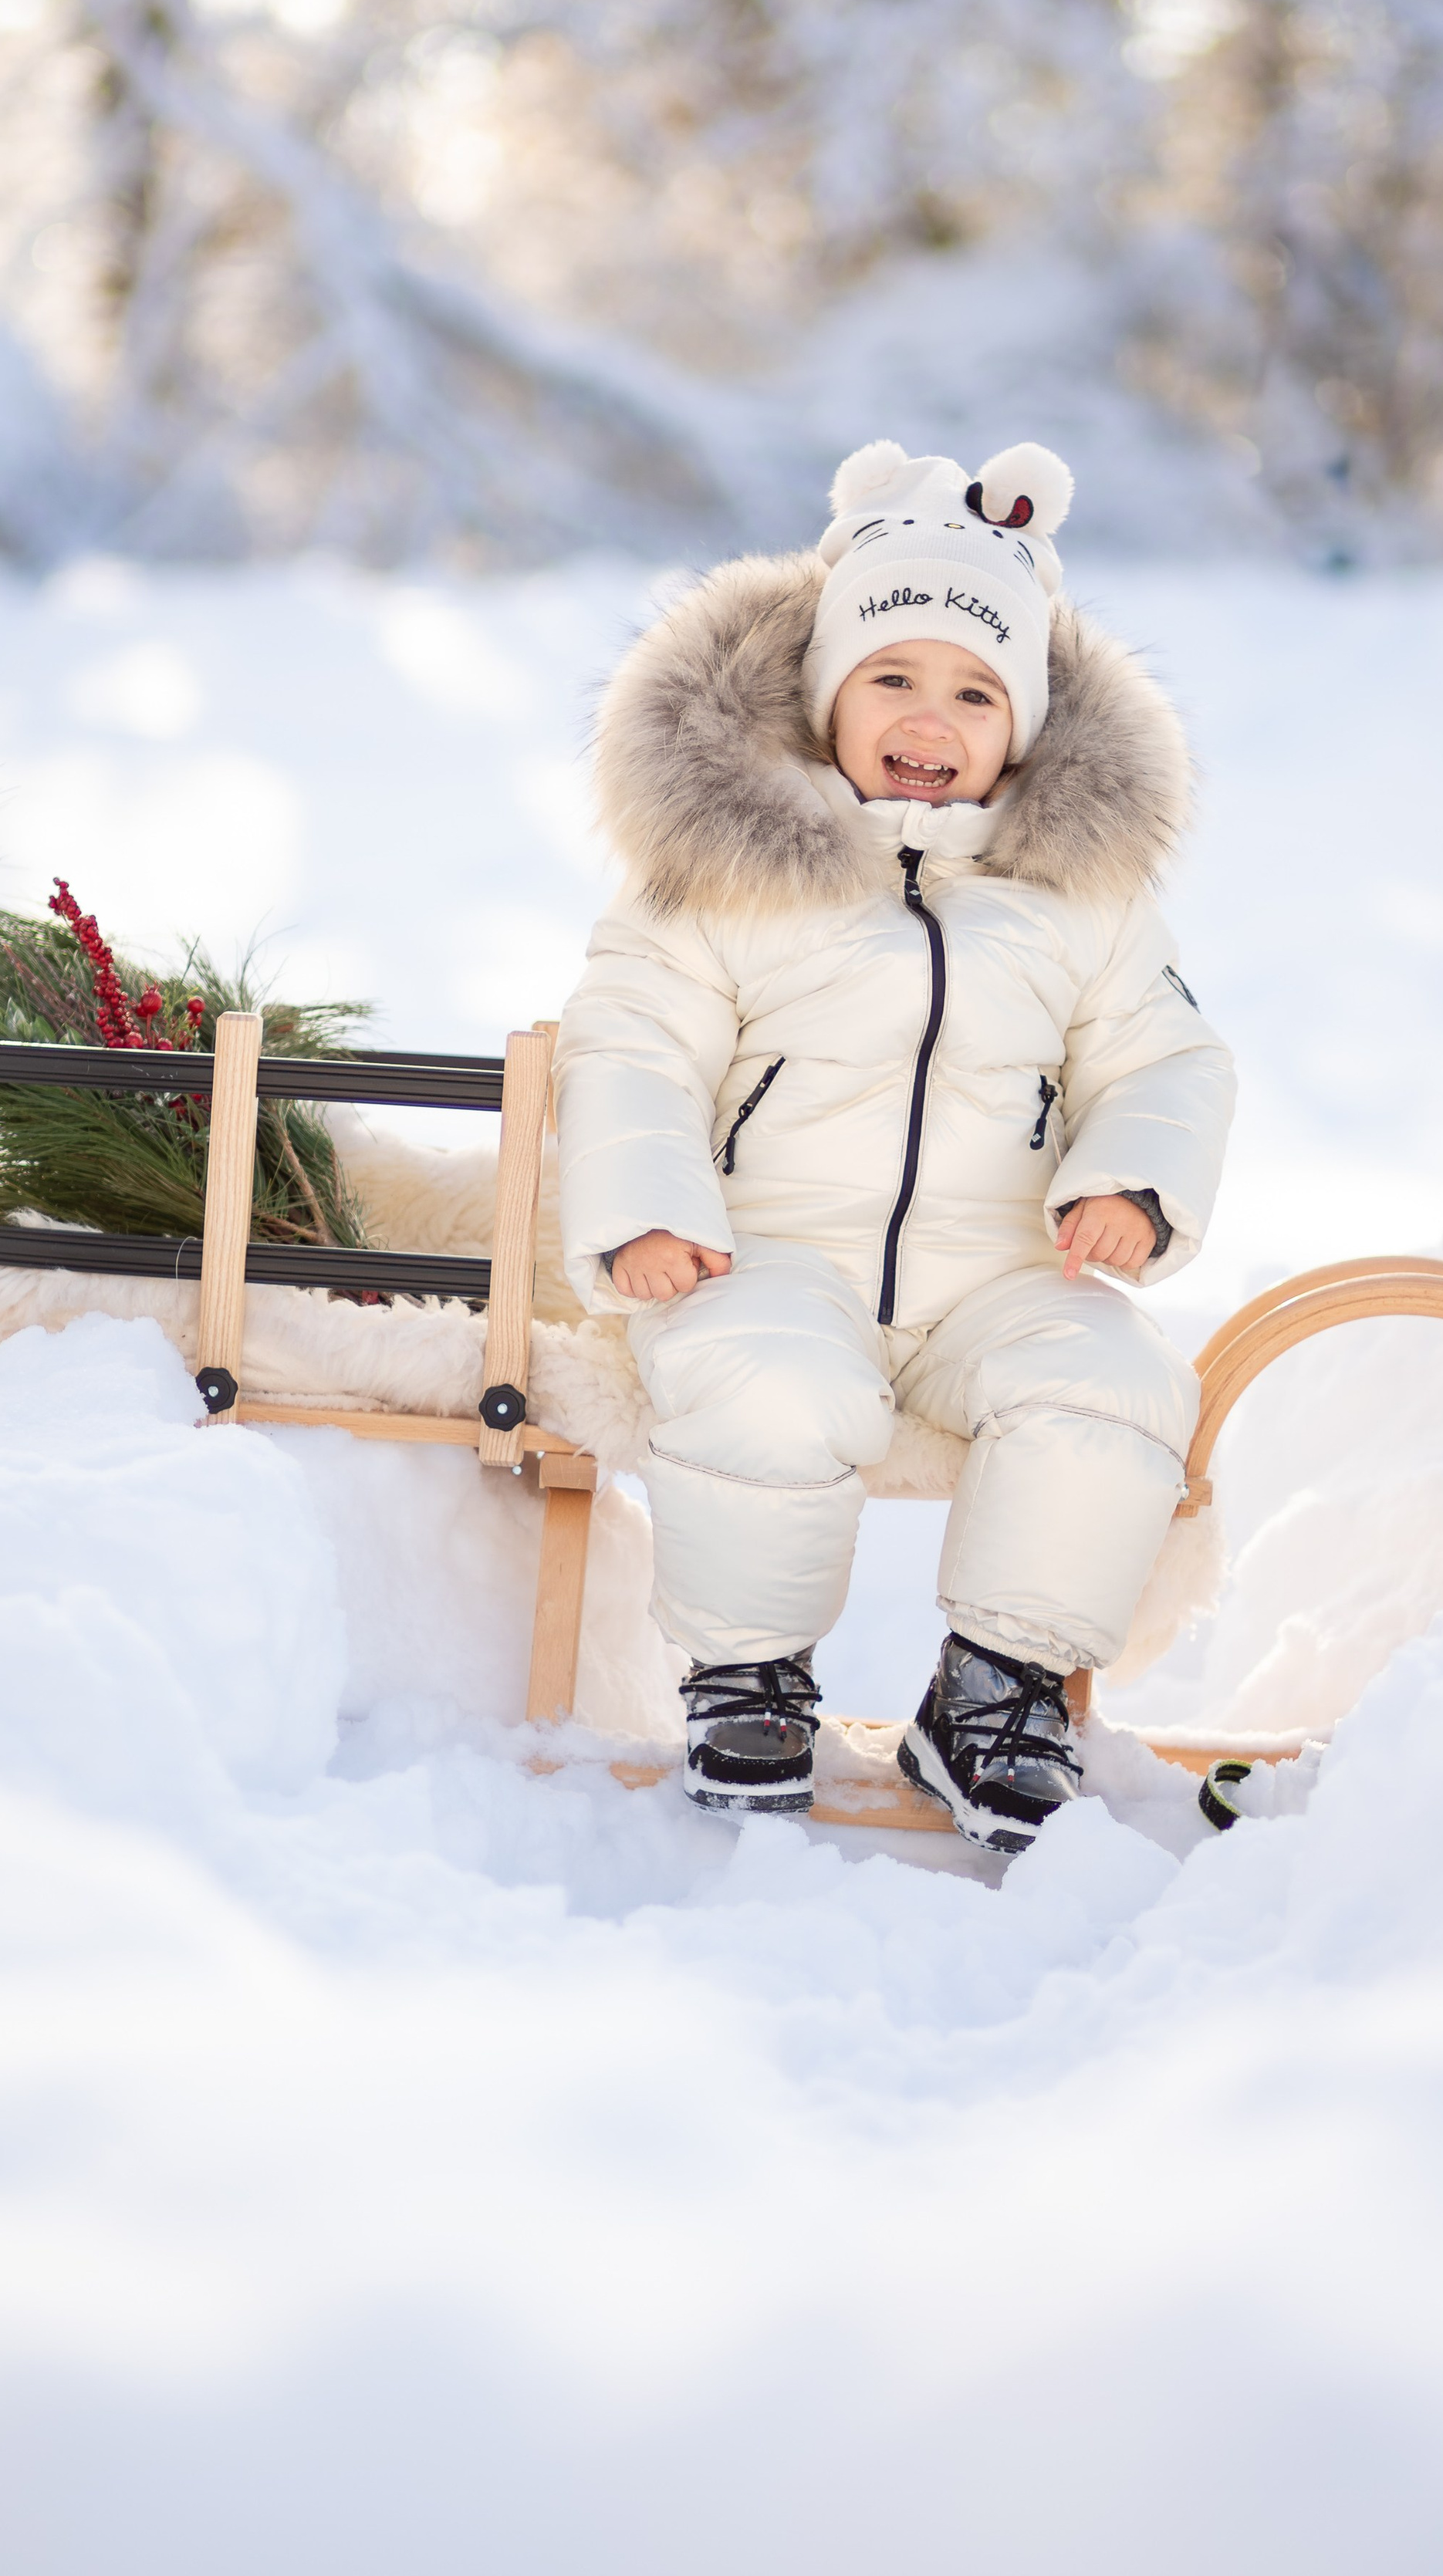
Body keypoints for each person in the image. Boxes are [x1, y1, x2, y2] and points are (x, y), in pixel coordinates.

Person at [553, 441, 1235, 1852]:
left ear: (1026, 722)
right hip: (764, 1253)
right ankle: (747, 1676)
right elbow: (631, 1044)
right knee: (768, 1386)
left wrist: (1131, 1178)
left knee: (1111, 1381)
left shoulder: (1079, 900)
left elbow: (1165, 1054)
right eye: (895, 677)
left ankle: (996, 1690)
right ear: (825, 696)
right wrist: (648, 1207)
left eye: (977, 690)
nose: (934, 716)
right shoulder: (725, 876)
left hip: (998, 1269)